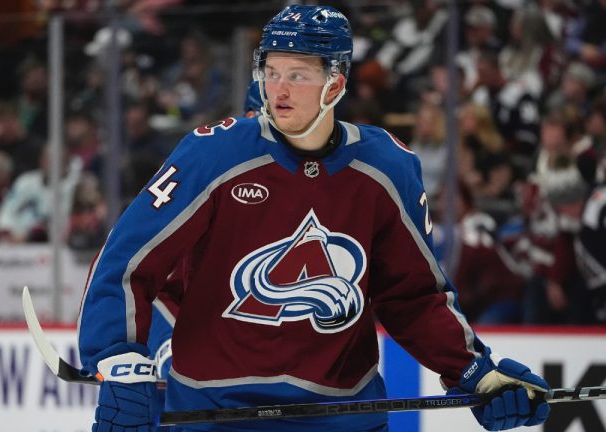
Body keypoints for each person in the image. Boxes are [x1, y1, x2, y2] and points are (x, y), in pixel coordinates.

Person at [77, 5, 550, 432]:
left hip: (342, 417)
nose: (278, 90)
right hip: (215, 415)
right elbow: (128, 259)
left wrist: (474, 371)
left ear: (336, 83)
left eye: (298, 75)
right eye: (271, 71)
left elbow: (414, 296)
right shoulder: (214, 154)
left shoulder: (387, 167)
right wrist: (119, 356)